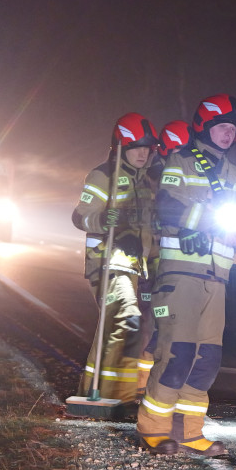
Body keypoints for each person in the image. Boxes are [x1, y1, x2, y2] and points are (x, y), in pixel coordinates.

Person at [137, 95, 236, 456]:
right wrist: (204, 220)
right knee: (177, 352)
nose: (228, 133)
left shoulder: (234, 175)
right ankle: (153, 429)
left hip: (216, 280)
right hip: (182, 275)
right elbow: (168, 204)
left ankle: (189, 433)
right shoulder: (181, 160)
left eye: (233, 128)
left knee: (206, 359)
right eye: (222, 126)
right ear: (205, 126)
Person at [72, 113, 158, 404]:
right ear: (120, 145)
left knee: (124, 327)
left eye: (147, 147)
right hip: (107, 264)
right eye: (136, 146)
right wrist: (104, 219)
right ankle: (118, 396)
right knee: (127, 319)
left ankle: (99, 393)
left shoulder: (145, 182)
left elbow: (148, 231)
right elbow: (79, 217)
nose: (142, 152)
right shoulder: (103, 175)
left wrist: (155, 266)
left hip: (134, 268)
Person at [136, 120, 193, 396]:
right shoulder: (153, 178)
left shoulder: (186, 172)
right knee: (150, 319)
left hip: (177, 263)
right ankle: (141, 384)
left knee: (169, 321)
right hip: (153, 261)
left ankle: (160, 382)